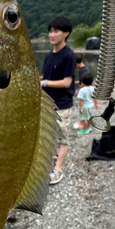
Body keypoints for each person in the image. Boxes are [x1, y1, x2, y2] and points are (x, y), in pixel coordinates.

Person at [40, 16, 77, 185]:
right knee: (48, 136)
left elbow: (67, 82)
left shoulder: (69, 55)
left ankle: (58, 169)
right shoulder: (48, 56)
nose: (52, 35)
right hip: (47, 103)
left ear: (66, 33)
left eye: (56, 31)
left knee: (62, 138)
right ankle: (50, 164)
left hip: (62, 104)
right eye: (50, 31)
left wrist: (45, 82)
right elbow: (46, 77)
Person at [72, 56, 90, 130]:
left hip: (84, 92)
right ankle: (86, 123)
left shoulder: (82, 71)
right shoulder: (85, 69)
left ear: (77, 63)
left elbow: (83, 84)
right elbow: (82, 81)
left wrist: (78, 92)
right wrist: (74, 82)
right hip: (87, 91)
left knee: (82, 107)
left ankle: (83, 124)